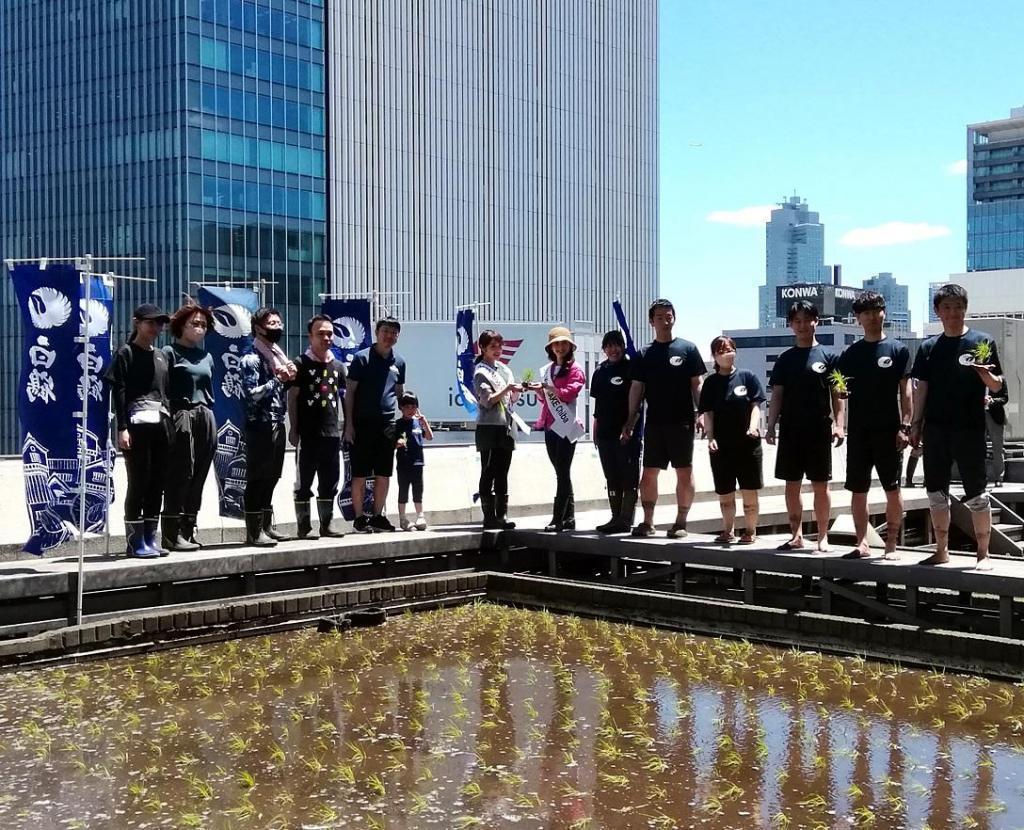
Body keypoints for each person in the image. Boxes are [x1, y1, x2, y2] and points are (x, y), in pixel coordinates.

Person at [910, 283, 1004, 569]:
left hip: (970, 427)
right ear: (938, 311)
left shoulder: (982, 342)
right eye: (947, 307)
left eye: (958, 307)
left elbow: (998, 386)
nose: (953, 313)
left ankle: (983, 553)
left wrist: (986, 377)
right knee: (936, 491)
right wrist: (915, 424)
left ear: (966, 309)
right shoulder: (928, 348)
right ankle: (941, 550)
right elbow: (921, 389)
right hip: (936, 429)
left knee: (976, 491)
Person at [835, 291, 912, 560]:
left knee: (892, 487)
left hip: (889, 428)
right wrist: (839, 423)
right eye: (865, 312)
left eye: (875, 310)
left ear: (884, 312)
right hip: (859, 431)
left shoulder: (898, 350)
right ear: (858, 319)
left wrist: (906, 425)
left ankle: (891, 543)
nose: (871, 316)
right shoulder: (851, 354)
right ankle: (862, 543)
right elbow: (839, 389)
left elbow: (906, 391)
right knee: (858, 489)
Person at [765, 301, 845, 553]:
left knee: (821, 484)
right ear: (791, 325)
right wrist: (770, 426)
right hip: (790, 429)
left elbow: (839, 393)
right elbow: (776, 395)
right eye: (796, 321)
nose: (802, 325)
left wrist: (839, 425)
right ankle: (796, 535)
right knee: (792, 484)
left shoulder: (830, 357)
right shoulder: (785, 359)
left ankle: (823, 536)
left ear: (815, 322)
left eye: (806, 320)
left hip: (819, 427)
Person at [621, 298, 705, 539]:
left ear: (674, 318)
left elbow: (697, 385)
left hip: (682, 421)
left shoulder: (688, 349)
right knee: (648, 473)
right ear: (651, 321)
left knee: (684, 471)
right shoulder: (645, 354)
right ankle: (647, 522)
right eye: (659, 317)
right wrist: (630, 418)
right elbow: (637, 387)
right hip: (654, 422)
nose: (665, 320)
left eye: (668, 316)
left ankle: (681, 521)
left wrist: (702, 413)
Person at [106, 304, 172, 558]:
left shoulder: (161, 356)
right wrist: (122, 428)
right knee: (139, 481)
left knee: (158, 481)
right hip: (136, 423)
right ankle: (134, 542)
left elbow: (166, 392)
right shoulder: (126, 353)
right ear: (137, 323)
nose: (155, 328)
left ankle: (150, 537)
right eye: (150, 322)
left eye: (159, 323)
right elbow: (119, 392)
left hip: (161, 422)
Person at [698, 336, 765, 544]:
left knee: (749, 491)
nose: (725, 353)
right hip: (722, 446)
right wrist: (710, 438)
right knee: (725, 493)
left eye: (728, 349)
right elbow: (707, 413)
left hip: (748, 445)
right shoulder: (710, 383)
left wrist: (753, 427)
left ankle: (751, 531)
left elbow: (756, 406)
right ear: (714, 356)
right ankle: (728, 531)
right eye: (720, 350)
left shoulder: (748, 377)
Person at [161, 303, 217, 552]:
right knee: (181, 471)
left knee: (200, 474)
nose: (200, 328)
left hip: (205, 413)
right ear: (181, 325)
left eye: (204, 324)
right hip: (181, 412)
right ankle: (171, 533)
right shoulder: (169, 352)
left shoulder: (207, 356)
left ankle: (189, 528)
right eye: (195, 323)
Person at [343, 316, 406, 533]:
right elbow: (349, 392)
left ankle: (378, 515)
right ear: (377, 333)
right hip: (362, 423)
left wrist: (407, 421)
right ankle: (360, 518)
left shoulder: (399, 362)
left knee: (384, 473)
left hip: (387, 424)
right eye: (385, 331)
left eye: (394, 332)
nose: (389, 336)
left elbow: (399, 392)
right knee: (359, 473)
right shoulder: (361, 359)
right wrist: (349, 425)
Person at [241, 307, 297, 547]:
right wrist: (278, 379)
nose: (277, 327)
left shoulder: (276, 353)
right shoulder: (251, 357)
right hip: (259, 424)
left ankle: (265, 524)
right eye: (271, 323)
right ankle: (253, 531)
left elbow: (279, 389)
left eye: (278, 322)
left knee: (272, 476)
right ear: (258, 328)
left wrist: (289, 378)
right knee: (257, 476)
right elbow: (251, 394)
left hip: (277, 420)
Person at [288, 314, 346, 540]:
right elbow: (292, 398)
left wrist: (348, 427)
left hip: (332, 433)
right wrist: (293, 429)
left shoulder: (338, 366)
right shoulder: (300, 363)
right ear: (310, 336)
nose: (326, 338)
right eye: (321, 333)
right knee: (304, 481)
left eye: (329, 333)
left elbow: (344, 399)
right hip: (307, 433)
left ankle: (327, 524)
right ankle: (304, 526)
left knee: (330, 479)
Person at [531, 326, 586, 532]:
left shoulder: (576, 369)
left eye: (563, 343)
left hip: (567, 426)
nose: (560, 347)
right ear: (551, 347)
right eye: (556, 343)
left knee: (562, 472)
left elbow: (570, 393)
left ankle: (558, 518)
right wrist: (539, 391)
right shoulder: (547, 370)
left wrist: (552, 389)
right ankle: (569, 517)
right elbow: (545, 400)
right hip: (549, 426)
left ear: (570, 346)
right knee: (561, 472)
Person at [590, 330, 640, 534]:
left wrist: (630, 425)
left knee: (628, 476)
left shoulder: (631, 368)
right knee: (611, 476)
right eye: (609, 346)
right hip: (604, 433)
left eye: (617, 345)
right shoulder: (600, 371)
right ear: (604, 350)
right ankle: (615, 517)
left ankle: (626, 519)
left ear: (623, 346)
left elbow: (638, 402)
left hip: (626, 433)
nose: (613, 350)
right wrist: (595, 429)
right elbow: (598, 405)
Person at [473, 329, 521, 530]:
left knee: (503, 471)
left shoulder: (504, 369)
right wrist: (507, 389)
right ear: (482, 348)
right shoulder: (481, 372)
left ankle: (502, 515)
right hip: (489, 427)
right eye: (492, 346)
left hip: (506, 425)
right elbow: (487, 401)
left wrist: (516, 391)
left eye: (499, 346)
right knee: (489, 470)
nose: (497, 350)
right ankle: (489, 516)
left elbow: (511, 399)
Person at [395, 391, 434, 530]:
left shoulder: (418, 423)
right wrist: (398, 443)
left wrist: (425, 423)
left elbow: (429, 437)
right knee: (403, 490)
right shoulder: (398, 424)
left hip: (418, 462)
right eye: (407, 407)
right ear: (401, 408)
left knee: (418, 489)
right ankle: (402, 518)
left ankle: (420, 515)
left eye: (413, 407)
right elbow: (392, 443)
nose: (410, 410)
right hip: (403, 463)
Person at [986, 382, 1008, 487]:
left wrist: (992, 401)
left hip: (994, 415)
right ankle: (980, 478)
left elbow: (1005, 398)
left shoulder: (998, 379)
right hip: (977, 415)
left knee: (997, 447)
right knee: (977, 447)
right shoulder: (975, 377)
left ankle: (999, 477)